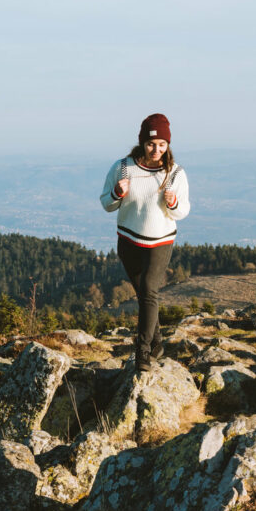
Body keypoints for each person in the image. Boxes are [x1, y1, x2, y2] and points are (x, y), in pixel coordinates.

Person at [100, 113, 190, 372]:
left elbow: (182, 210)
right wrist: (118, 193)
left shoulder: (174, 173)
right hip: (128, 240)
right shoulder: (123, 167)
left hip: (160, 242)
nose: (156, 149)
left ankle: (143, 353)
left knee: (149, 292)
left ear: (168, 145)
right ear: (142, 142)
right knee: (144, 296)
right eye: (152, 144)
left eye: (162, 144)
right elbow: (106, 203)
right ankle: (158, 343)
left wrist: (172, 203)